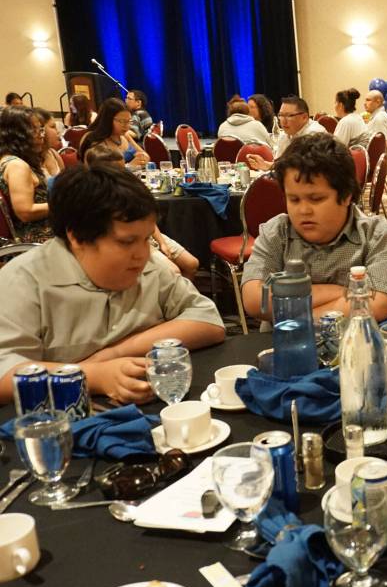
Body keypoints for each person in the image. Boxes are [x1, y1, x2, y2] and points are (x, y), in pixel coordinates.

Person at [0, 164, 224, 405]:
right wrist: (94, 376)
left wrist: (113, 354)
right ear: (77, 237)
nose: (142, 254)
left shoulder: (149, 267)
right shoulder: (25, 280)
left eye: (146, 239)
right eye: (127, 242)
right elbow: (4, 373)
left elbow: (208, 321)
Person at [241, 133, 387, 323]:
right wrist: (345, 292)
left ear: (346, 196)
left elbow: (381, 303)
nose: (303, 210)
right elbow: (254, 301)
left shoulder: (377, 236)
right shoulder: (276, 232)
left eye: (316, 199)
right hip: (283, 347)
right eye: (293, 199)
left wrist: (294, 317)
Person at [83, 146, 199, 280]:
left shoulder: (130, 186)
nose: (124, 172)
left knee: (192, 264)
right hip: (133, 243)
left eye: (124, 168)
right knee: (174, 272)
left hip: (150, 236)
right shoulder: (95, 198)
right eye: (118, 169)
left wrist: (162, 243)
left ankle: (175, 299)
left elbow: (148, 220)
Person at [0, 105, 51, 242]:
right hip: (36, 242)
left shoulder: (9, 160)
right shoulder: (17, 166)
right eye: (35, 130)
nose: (42, 135)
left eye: (41, 129)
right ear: (18, 134)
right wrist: (63, 204)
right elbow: (25, 212)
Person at [246, 96, 326, 171]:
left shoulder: (315, 134)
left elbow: (303, 170)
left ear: (304, 117)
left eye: (288, 116)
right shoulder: (285, 135)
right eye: (281, 115)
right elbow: (281, 165)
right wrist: (265, 165)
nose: (283, 121)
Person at [79, 98, 150, 167]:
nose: (127, 126)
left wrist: (143, 158)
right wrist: (130, 166)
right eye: (122, 121)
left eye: (129, 121)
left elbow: (144, 155)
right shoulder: (93, 138)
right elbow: (97, 173)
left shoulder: (124, 135)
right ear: (107, 119)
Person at [34, 107, 64, 179]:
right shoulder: (27, 161)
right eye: (53, 127)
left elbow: (65, 183)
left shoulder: (53, 153)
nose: (57, 131)